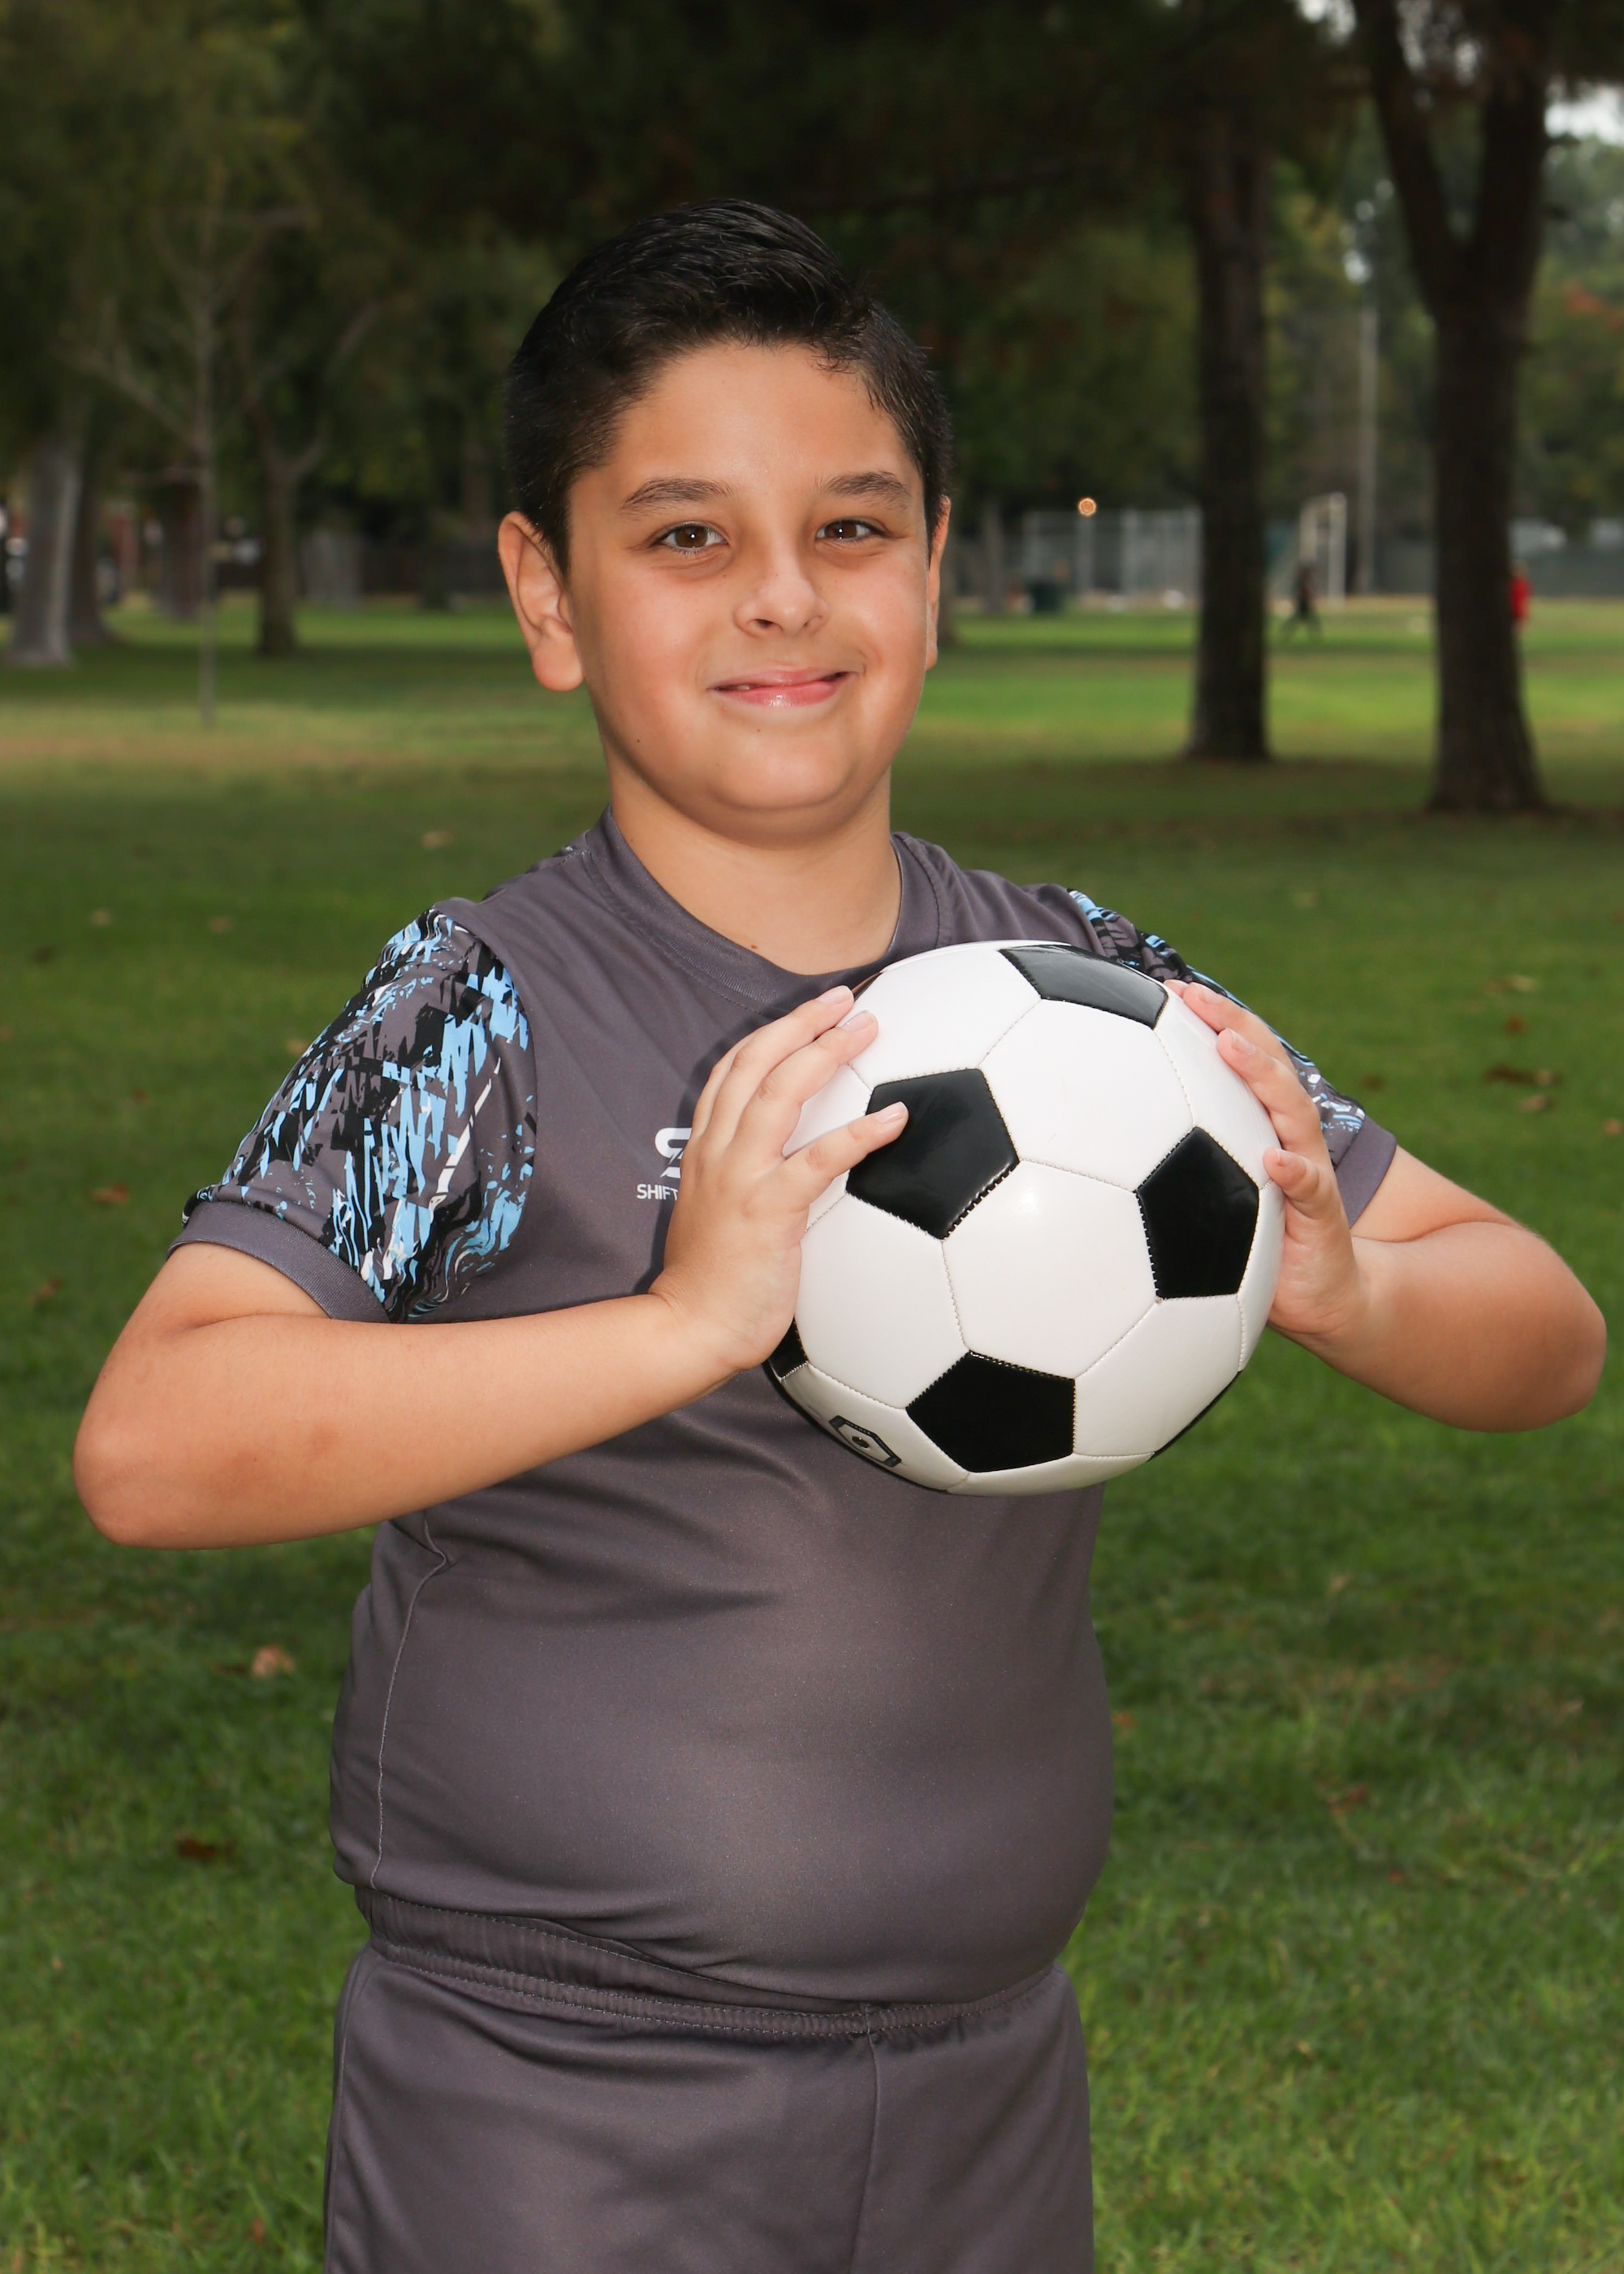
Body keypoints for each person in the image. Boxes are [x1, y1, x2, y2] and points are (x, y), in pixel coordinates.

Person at [74, 203, 1605, 2274]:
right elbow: (153, 1444)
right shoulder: (484, 1009)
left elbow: (1544, 1331)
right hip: (555, 2098)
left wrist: (1352, 1284)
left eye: (852, 527)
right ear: (547, 595)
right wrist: (681, 1320)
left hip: (981, 2086)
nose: (781, 593)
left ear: (933, 572)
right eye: (685, 535)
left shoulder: (1098, 1007)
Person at [1281, 555, 1320, 638]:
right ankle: (1315, 636)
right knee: (1305, 620)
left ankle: (1285, 630)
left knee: (1303, 620)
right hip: (1303, 603)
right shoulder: (1303, 581)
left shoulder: (1303, 580)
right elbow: (1303, 592)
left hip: (1303, 602)